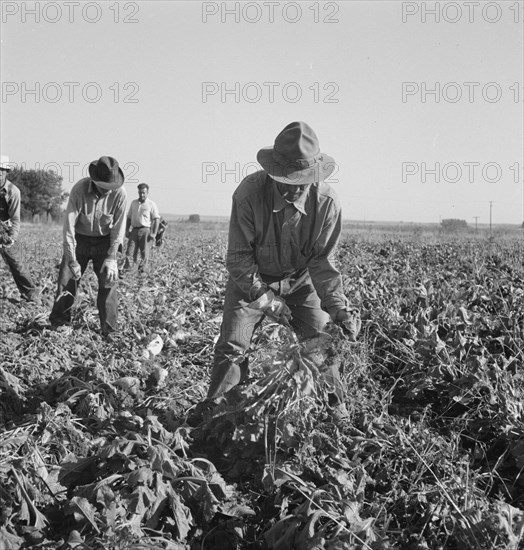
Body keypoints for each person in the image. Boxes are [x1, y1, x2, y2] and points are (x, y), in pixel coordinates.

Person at [206, 121, 361, 408]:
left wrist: (338, 307)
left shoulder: (326, 203)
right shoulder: (249, 195)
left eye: (299, 181)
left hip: (302, 280)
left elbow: (323, 261)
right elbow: (239, 258)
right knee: (232, 346)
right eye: (284, 179)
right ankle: (217, 417)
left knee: (320, 342)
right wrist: (268, 300)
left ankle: (335, 415)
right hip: (251, 280)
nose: (291, 188)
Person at [49, 156, 127, 337]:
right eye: (105, 186)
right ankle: (59, 323)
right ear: (95, 180)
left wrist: (112, 256)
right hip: (80, 240)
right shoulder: (79, 190)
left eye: (112, 187)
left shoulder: (120, 193)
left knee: (109, 282)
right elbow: (69, 227)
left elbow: (118, 227)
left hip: (105, 242)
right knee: (67, 279)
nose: (109, 191)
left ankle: (110, 331)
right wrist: (71, 258)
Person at [0, 155, 39, 303]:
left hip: (5, 231)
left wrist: (11, 238)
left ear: (6, 172)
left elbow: (15, 219)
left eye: (1, 170)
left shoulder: (13, 191)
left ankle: (30, 294)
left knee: (17, 263)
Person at [123, 183, 160, 273]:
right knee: (130, 251)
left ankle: (143, 272)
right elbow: (129, 217)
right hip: (134, 230)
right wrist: (127, 230)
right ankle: (129, 270)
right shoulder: (134, 203)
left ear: (147, 193)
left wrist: (153, 234)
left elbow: (156, 219)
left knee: (144, 253)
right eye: (140, 192)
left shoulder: (151, 204)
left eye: (143, 192)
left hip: (145, 230)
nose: (142, 195)